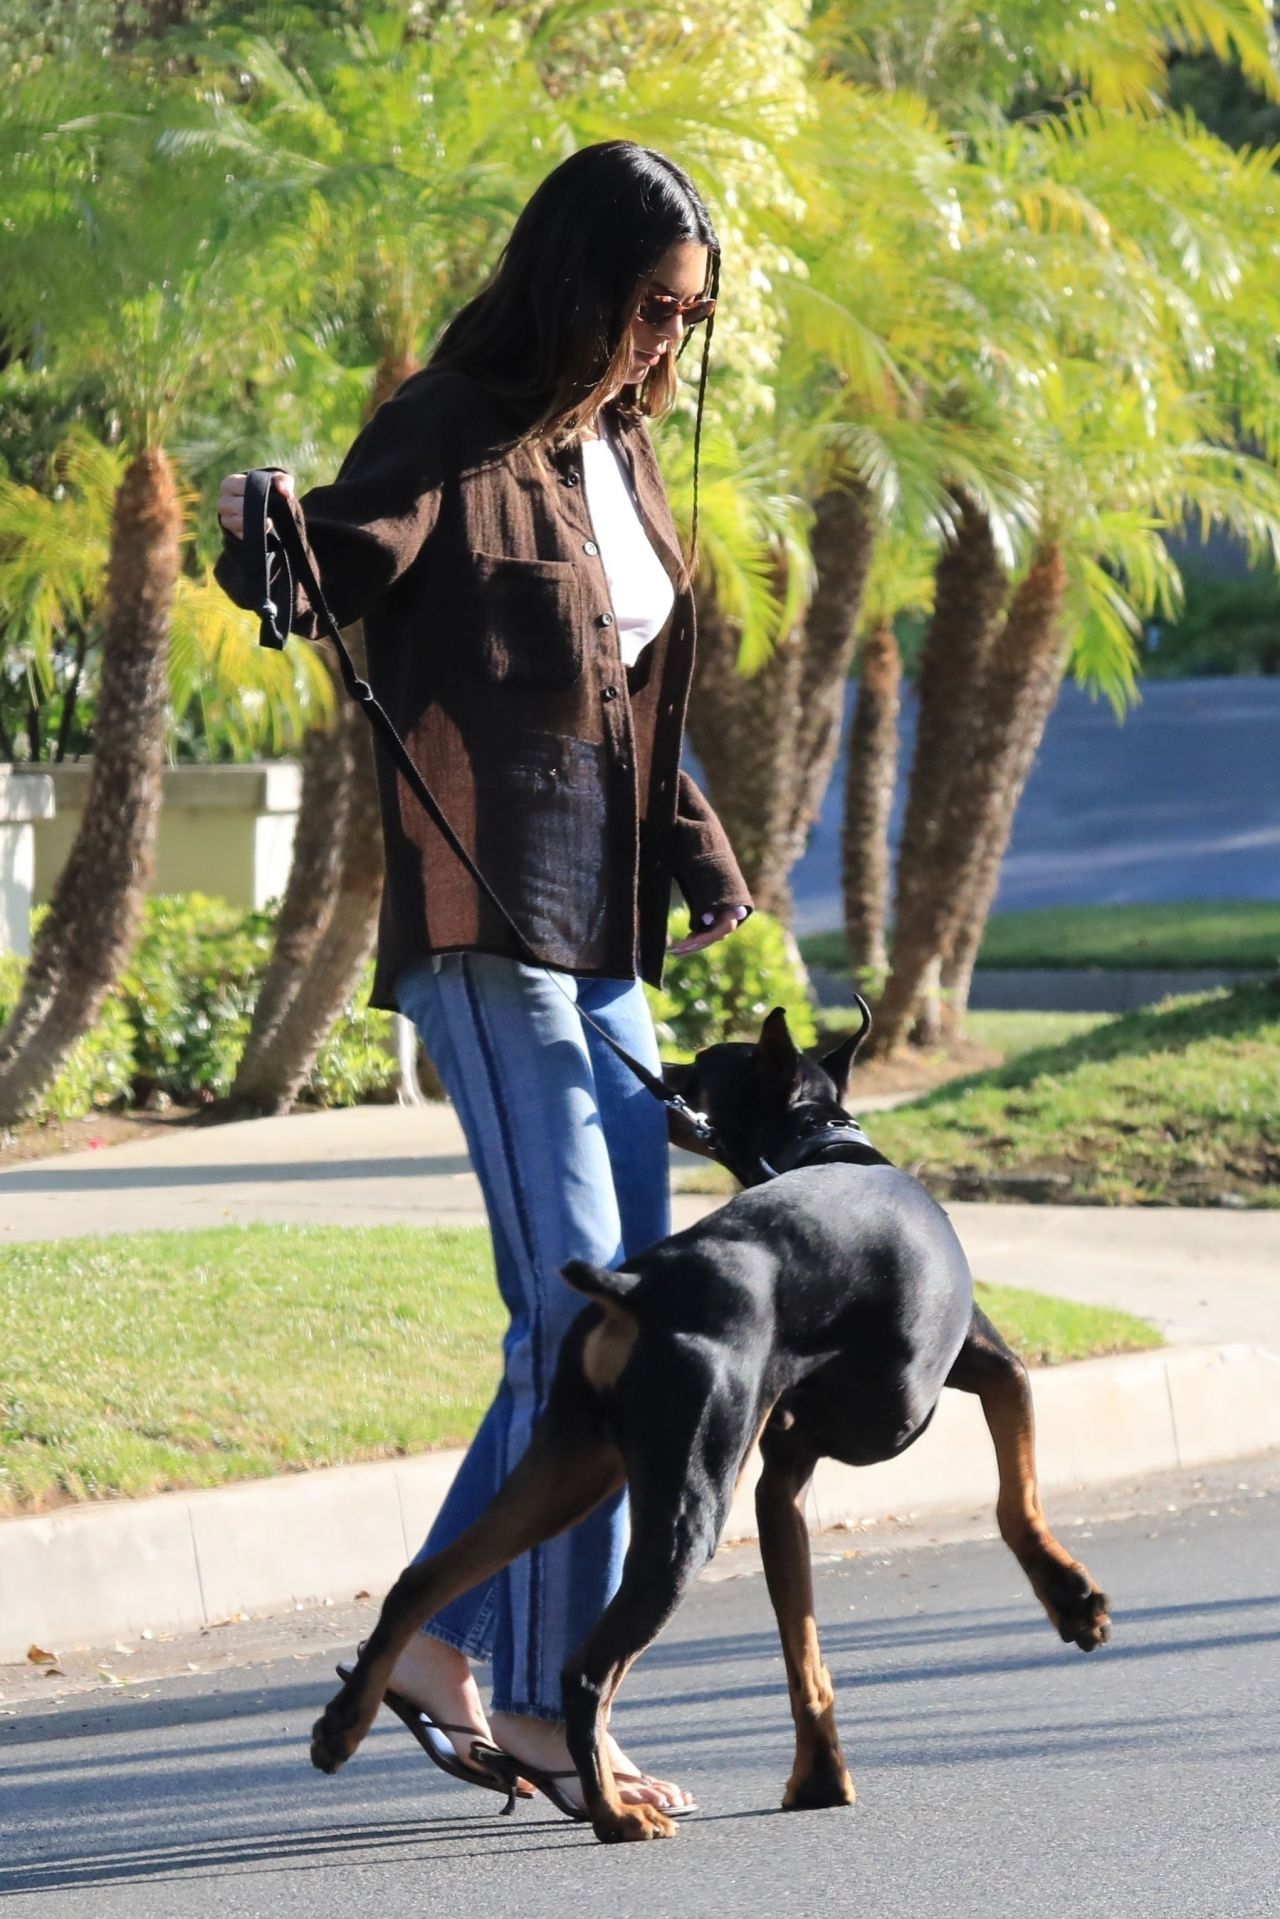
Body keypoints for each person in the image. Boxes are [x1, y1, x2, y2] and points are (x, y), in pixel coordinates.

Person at [215, 141, 750, 1817]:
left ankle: (449, 1647)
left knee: (635, 1327)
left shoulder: (627, 459)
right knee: (572, 1307)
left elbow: (631, 699)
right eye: (653, 310)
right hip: (482, 915)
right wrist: (264, 543)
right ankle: (535, 1697)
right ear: (582, 283)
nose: (669, 346)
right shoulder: (453, 423)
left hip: (607, 944)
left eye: (692, 322)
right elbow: (327, 567)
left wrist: (703, 860)